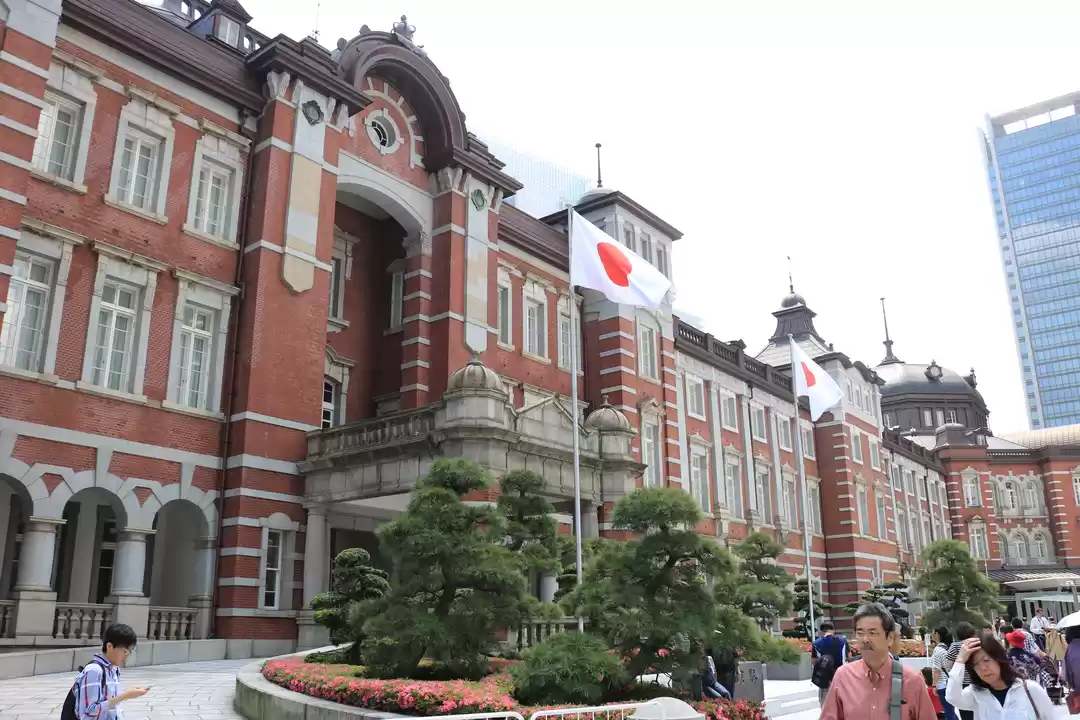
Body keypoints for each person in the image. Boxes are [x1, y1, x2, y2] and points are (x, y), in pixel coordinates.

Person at [820, 603, 937, 720]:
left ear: (890, 638)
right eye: (860, 633)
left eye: (872, 633)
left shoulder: (912, 681)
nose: (865, 639)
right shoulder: (843, 676)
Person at [946, 630, 1054, 719]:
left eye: (987, 660)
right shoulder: (975, 694)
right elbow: (952, 698)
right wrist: (960, 660)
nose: (983, 668)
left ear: (999, 659)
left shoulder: (1030, 689)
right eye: (975, 664)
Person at [71, 623, 149, 720]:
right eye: (124, 651)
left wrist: (128, 694)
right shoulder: (94, 671)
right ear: (109, 646)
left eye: (130, 652)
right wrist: (124, 696)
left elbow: (112, 707)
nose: (127, 656)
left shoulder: (114, 669)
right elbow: (88, 713)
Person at [943, 622, 977, 720]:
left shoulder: (955, 646)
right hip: (978, 681)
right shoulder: (977, 643)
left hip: (962, 683)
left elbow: (947, 665)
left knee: (965, 711)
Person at [812, 621, 848, 705]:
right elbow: (848, 657)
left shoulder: (816, 643)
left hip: (825, 679)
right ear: (833, 631)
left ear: (821, 632)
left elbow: (814, 661)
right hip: (841, 677)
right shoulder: (843, 641)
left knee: (825, 706)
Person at [929, 626, 957, 720]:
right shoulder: (947, 648)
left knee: (949, 713)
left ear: (937, 634)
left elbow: (937, 670)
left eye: (932, 633)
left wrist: (934, 685)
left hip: (943, 684)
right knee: (951, 711)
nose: (931, 635)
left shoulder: (938, 650)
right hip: (950, 682)